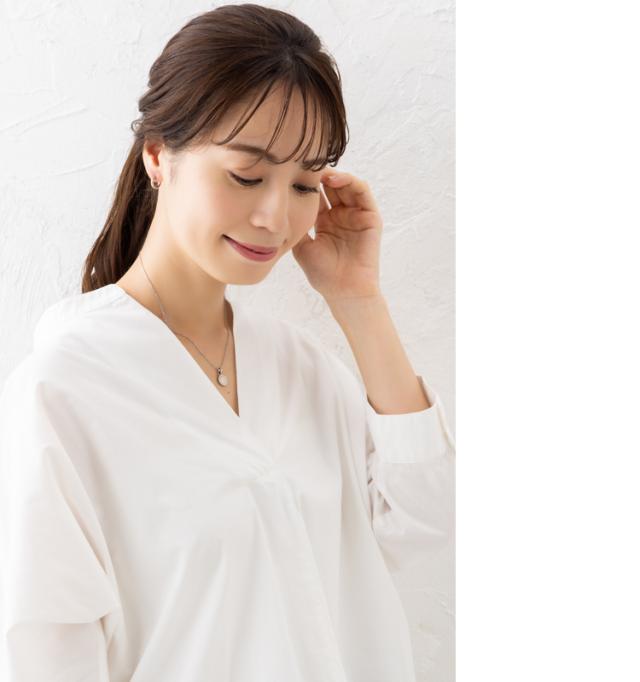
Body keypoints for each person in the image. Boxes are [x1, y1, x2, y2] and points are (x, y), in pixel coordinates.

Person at [0, 4, 455, 681]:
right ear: (159, 155)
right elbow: (47, 654)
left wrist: (359, 302)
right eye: (247, 175)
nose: (276, 216)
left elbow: (430, 522)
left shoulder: (301, 370)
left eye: (304, 184)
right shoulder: (64, 388)